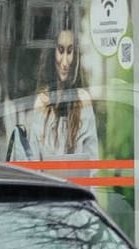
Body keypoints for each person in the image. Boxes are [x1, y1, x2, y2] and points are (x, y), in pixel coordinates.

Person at [29, 22, 99, 159]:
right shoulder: (42, 102)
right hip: (47, 181)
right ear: (52, 52)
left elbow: (93, 164)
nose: (65, 62)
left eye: (70, 51)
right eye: (60, 50)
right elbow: (33, 161)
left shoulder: (83, 100)